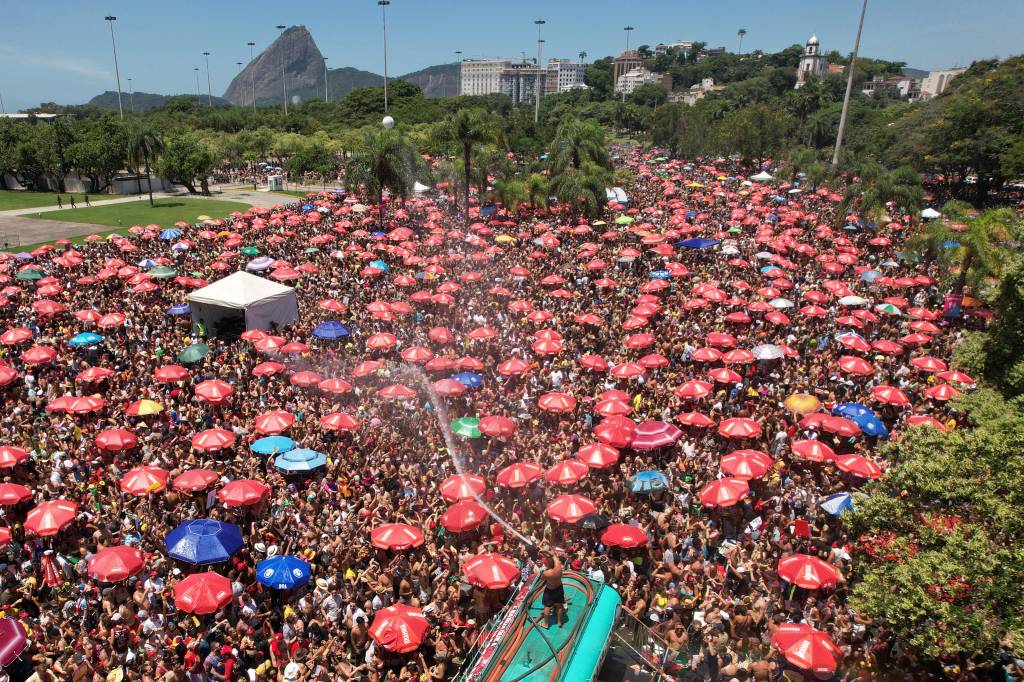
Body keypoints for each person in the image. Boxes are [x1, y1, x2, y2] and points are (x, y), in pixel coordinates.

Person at [540, 548, 565, 629]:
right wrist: (547, 553)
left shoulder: (546, 573)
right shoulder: (558, 565)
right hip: (559, 588)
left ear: (546, 564)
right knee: (559, 606)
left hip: (550, 591)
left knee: (547, 607)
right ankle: (559, 622)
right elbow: (553, 555)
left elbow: (542, 579)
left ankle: (546, 624)